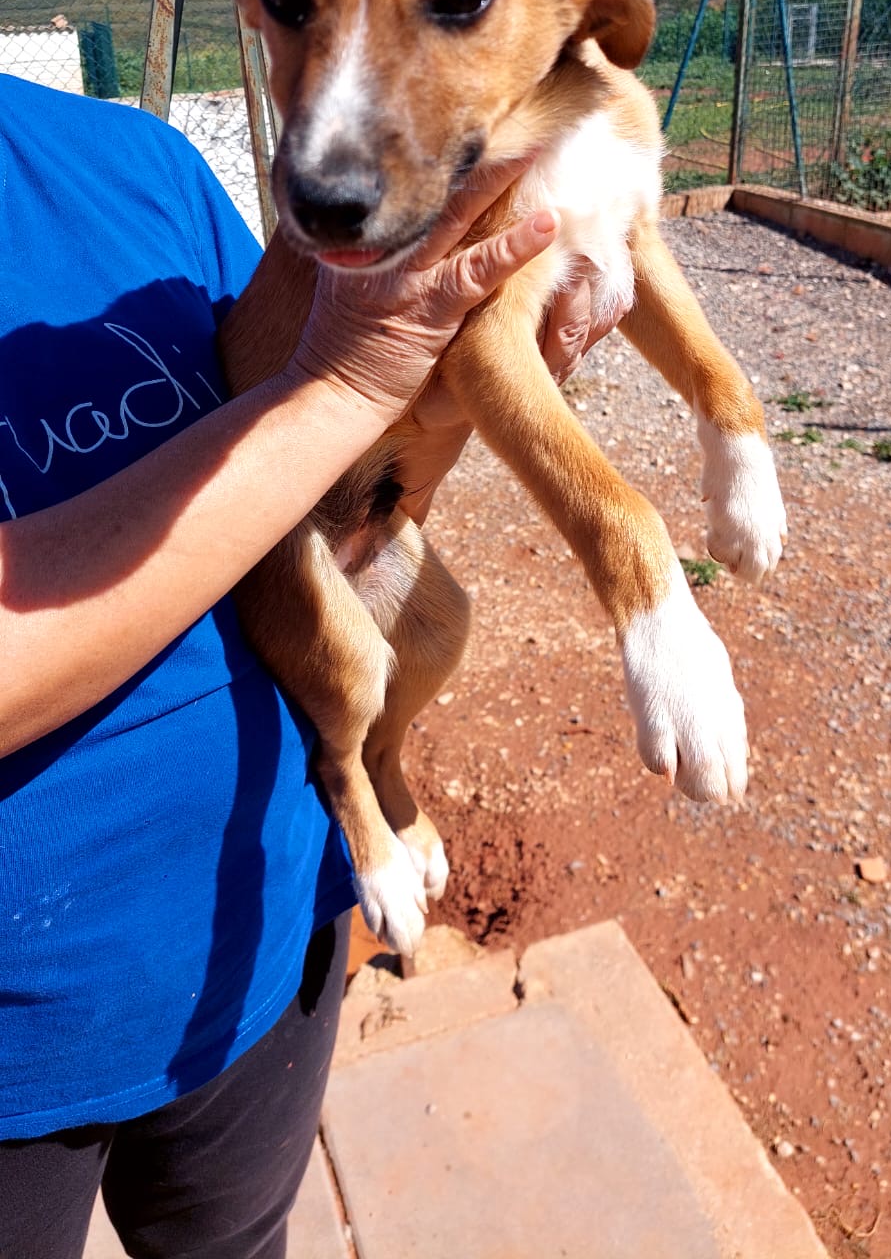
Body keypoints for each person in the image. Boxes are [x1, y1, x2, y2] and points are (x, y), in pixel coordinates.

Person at [0, 72, 610, 1259]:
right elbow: (330, 397)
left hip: (273, 927)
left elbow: (339, 497)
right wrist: (353, 387)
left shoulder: (142, 167)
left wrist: (439, 403)